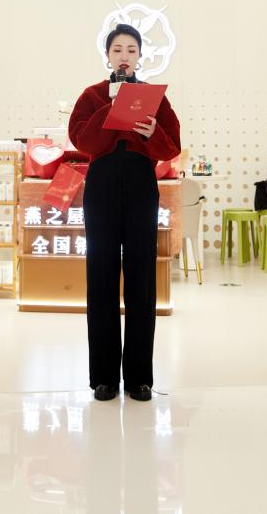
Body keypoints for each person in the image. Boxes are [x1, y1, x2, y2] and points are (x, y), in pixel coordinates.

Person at [68, 23, 181, 402]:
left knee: (141, 277)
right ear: (107, 56)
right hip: (101, 186)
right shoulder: (91, 95)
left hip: (140, 186)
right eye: (117, 50)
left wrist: (151, 132)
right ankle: (103, 377)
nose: (124, 56)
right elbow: (82, 141)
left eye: (131, 50)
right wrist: (112, 104)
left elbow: (170, 147)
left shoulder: (153, 97)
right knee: (100, 275)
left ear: (140, 57)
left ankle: (139, 378)